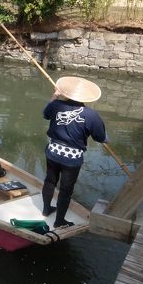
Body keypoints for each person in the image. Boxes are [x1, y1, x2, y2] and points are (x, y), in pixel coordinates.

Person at [42, 76, 107, 229]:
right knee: (65, 190)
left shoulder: (56, 105)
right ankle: (59, 221)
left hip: (53, 151)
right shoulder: (91, 115)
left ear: (67, 93)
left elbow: (45, 113)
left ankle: (46, 210)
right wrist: (106, 138)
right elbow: (100, 137)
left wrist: (55, 95)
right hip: (71, 159)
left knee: (50, 181)